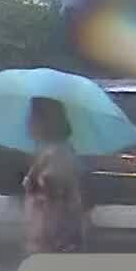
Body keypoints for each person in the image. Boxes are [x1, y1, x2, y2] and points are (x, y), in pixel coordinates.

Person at [23, 95, 87, 254]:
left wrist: (34, 183)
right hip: (52, 235)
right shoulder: (52, 150)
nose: (28, 122)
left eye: (32, 117)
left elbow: (54, 190)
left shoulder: (57, 153)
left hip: (55, 237)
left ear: (44, 122)